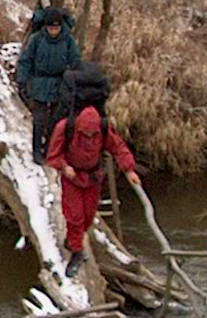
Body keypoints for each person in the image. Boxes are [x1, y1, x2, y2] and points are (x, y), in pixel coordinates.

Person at [45, 105, 141, 275]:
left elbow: (118, 148)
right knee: (75, 216)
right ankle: (77, 252)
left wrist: (129, 170)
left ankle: (73, 240)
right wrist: (64, 166)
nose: (89, 137)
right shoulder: (65, 128)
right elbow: (53, 155)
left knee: (88, 216)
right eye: (85, 134)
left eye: (92, 134)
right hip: (72, 177)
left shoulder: (103, 130)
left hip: (93, 177)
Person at [16, 8, 82, 164]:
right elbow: (26, 61)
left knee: (55, 120)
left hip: (59, 83)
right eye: (50, 28)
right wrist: (22, 81)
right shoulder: (36, 39)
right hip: (39, 81)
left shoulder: (68, 40)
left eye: (56, 28)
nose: (53, 31)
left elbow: (75, 61)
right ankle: (36, 150)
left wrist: (74, 79)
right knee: (39, 119)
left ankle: (49, 149)